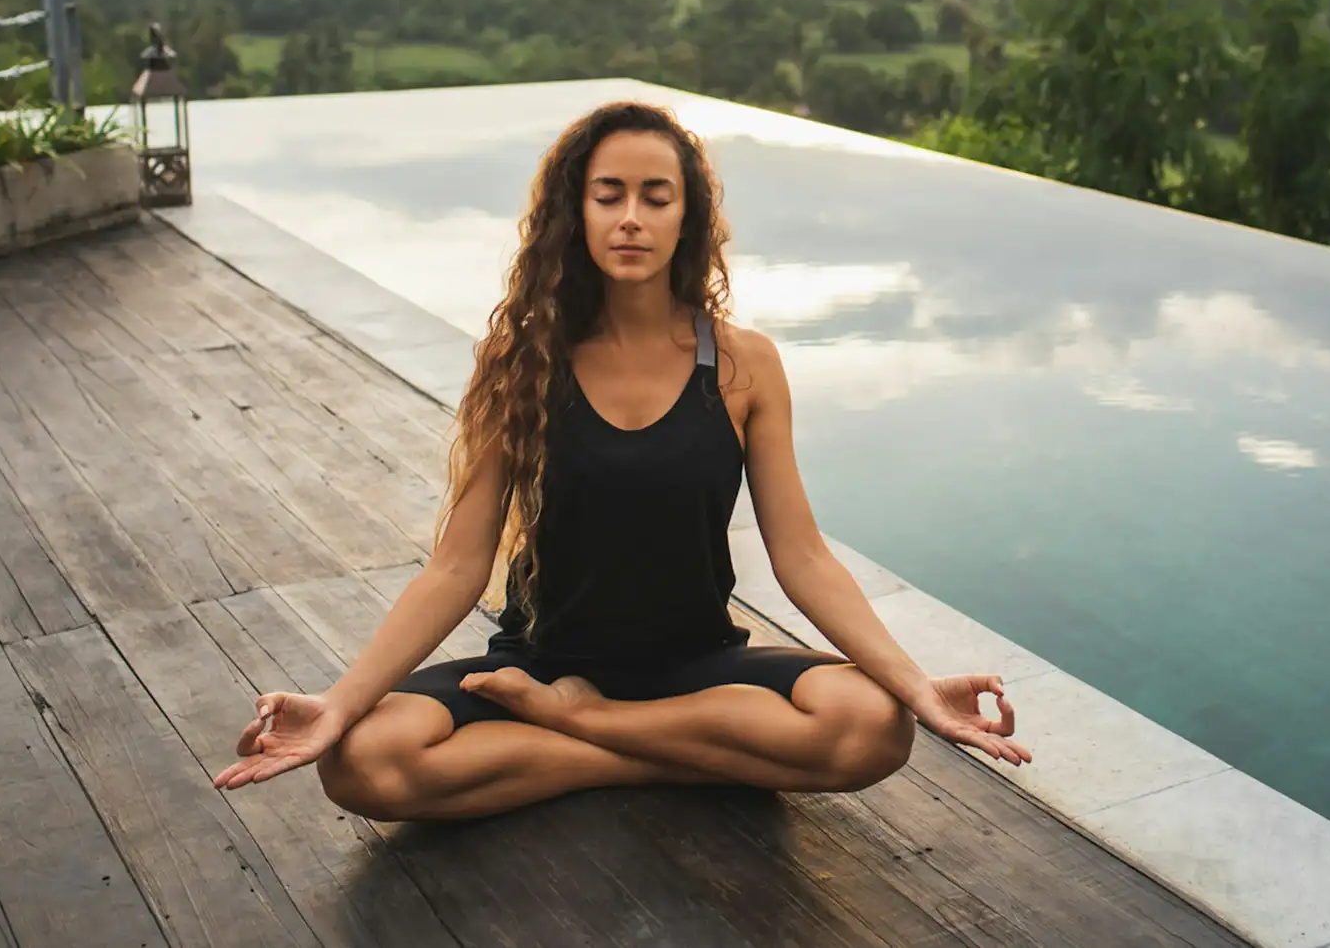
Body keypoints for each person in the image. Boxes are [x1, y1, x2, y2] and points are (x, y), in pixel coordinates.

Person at [211, 100, 1031, 819]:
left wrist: (920, 688)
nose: (630, 216)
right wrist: (338, 701)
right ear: (579, 212)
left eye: (655, 195)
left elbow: (802, 554)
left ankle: (581, 729)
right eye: (609, 195)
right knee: (359, 760)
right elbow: (456, 568)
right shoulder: (519, 358)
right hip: (545, 659)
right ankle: (676, 754)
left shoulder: (744, 365)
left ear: (688, 217)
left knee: (875, 724)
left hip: (698, 666)